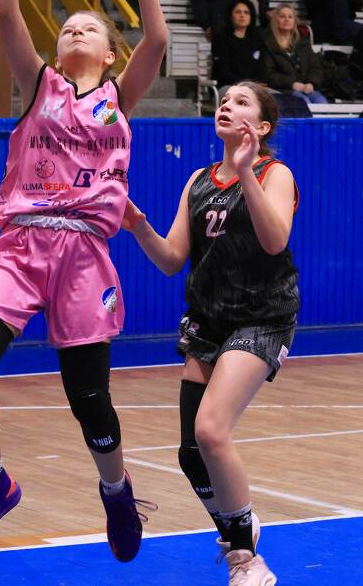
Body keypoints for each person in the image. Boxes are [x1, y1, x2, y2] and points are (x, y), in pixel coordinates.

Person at [0, 0, 166, 559]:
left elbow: (157, 40)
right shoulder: (37, 85)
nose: (73, 33)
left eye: (87, 28)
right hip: (19, 245)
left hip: (83, 254)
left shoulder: (118, 98)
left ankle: (116, 490)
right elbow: (6, 10)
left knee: (88, 399)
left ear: (109, 52)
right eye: (66, 27)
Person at [122, 81, 299, 585]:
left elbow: (274, 241)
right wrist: (139, 226)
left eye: (241, 102)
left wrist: (244, 172)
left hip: (262, 316)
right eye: (224, 99)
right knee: (190, 454)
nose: (227, 104)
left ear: (261, 127)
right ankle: (240, 524)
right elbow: (171, 259)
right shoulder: (198, 180)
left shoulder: (274, 173)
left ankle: (248, 561)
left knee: (211, 430)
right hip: (208, 320)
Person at [261, 4, 326, 104]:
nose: (286, 19)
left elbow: (316, 67)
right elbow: (269, 74)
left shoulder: (303, 43)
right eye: (282, 16)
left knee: (321, 101)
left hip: (306, 88)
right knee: (303, 102)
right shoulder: (268, 44)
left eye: (290, 17)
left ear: (294, 21)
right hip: (283, 89)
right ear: (276, 20)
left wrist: (311, 83)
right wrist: (292, 84)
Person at [212, 0, 266, 96]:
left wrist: (255, 84)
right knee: (249, 98)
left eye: (246, 12)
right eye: (238, 12)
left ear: (251, 17)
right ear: (230, 16)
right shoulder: (221, 39)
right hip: (228, 86)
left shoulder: (257, 39)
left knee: (277, 98)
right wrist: (246, 85)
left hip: (253, 87)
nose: (242, 15)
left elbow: (261, 68)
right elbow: (223, 72)